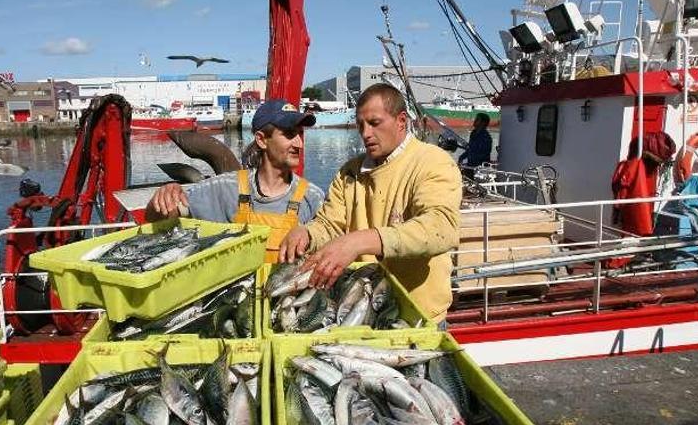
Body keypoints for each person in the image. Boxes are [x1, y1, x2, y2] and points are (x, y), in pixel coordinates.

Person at [279, 83, 462, 324]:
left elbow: (441, 229)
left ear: (401, 121)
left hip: (417, 316)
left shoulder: (432, 162)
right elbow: (330, 224)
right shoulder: (350, 172)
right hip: (361, 311)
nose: (365, 133)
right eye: (360, 125)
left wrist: (359, 241)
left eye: (374, 123)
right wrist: (307, 233)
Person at [146, 99, 326, 262]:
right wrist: (162, 199)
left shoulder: (313, 197)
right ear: (262, 140)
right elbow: (157, 218)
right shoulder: (224, 188)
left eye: (300, 134)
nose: (299, 144)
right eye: (289, 134)